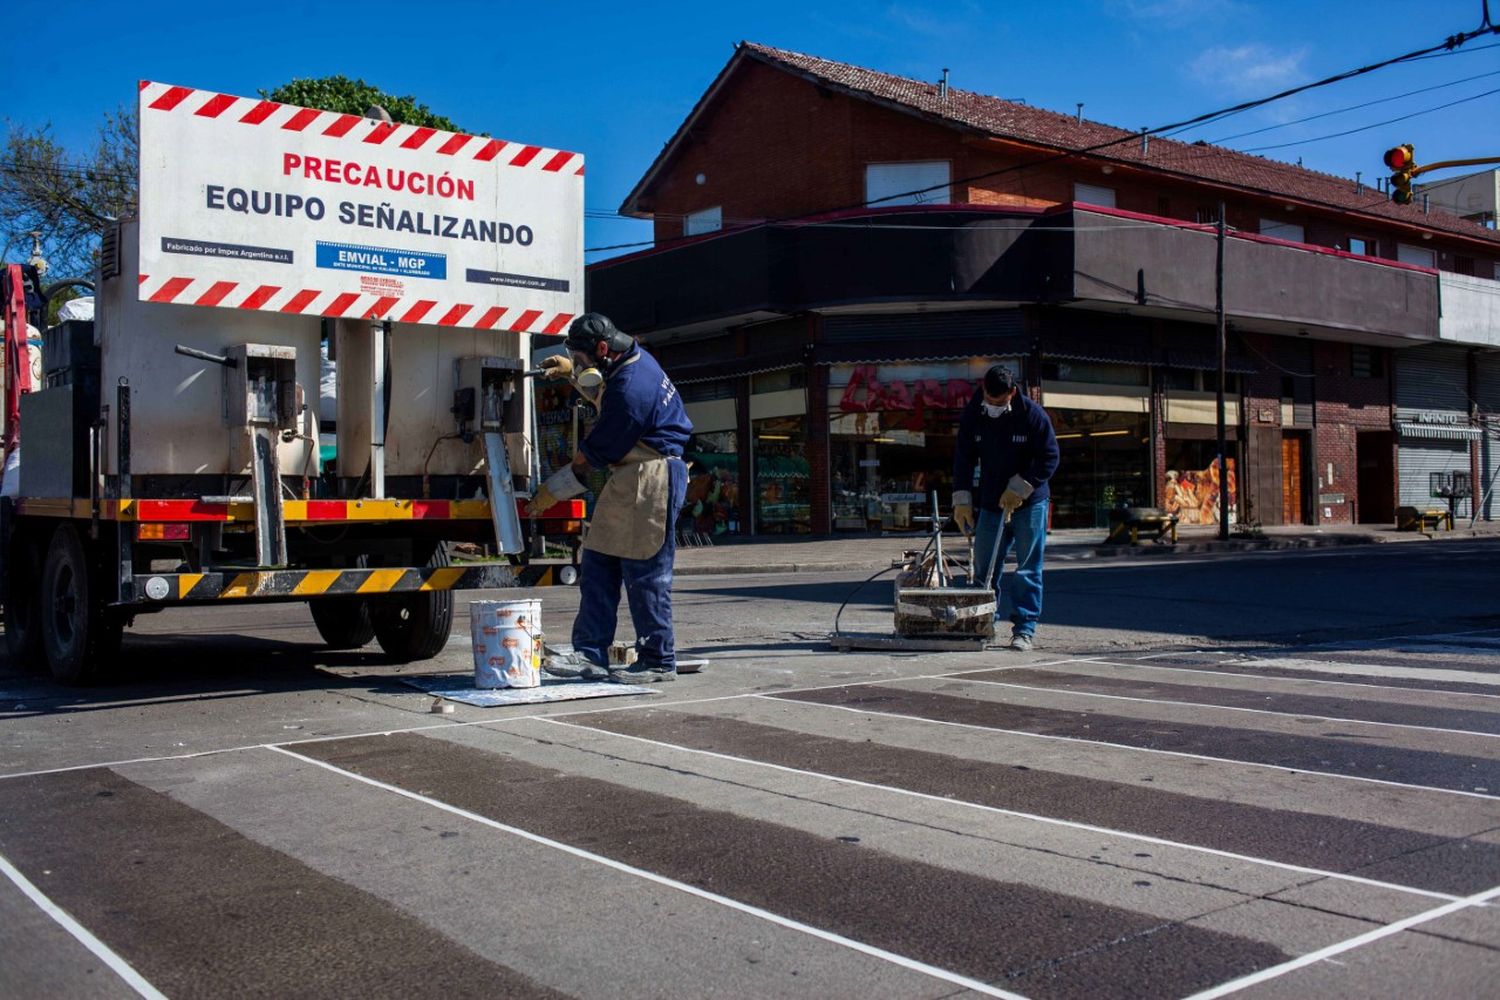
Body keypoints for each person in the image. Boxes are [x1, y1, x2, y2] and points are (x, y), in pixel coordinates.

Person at [527, 313, 693, 682]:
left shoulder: (630, 390)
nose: (584, 365)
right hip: (629, 478)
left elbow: (590, 459)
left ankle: (657, 659)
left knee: (645, 574)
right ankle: (589, 652)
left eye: (583, 358)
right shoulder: (631, 357)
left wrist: (550, 492)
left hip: (651, 478)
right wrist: (572, 371)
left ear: (602, 349)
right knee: (599, 565)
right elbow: (601, 387)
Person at [951, 364, 1059, 651]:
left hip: (1029, 504)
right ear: (983, 388)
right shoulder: (974, 413)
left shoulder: (1032, 415)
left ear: (1013, 392)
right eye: (989, 398)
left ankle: (1024, 630)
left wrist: (1023, 486)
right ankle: (982, 624)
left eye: (999, 401)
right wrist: (962, 500)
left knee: (1027, 569)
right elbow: (963, 457)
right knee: (984, 569)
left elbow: (1050, 457)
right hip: (991, 503)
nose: (992, 405)